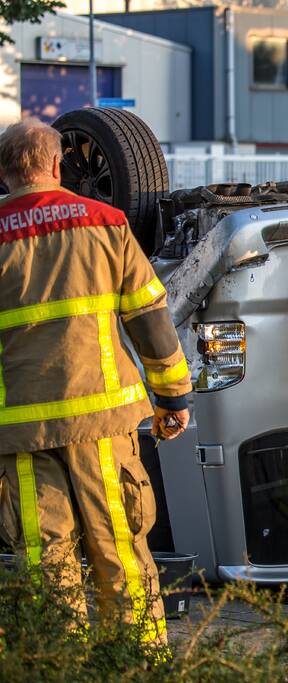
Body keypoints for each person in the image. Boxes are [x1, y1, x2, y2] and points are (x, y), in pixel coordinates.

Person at [0, 118, 192, 647]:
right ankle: (137, 662)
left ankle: (58, 663)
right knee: (119, 549)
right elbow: (149, 317)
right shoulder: (104, 223)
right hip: (102, 424)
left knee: (45, 560)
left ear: (3, 174)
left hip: (20, 435)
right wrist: (173, 396)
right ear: (58, 165)